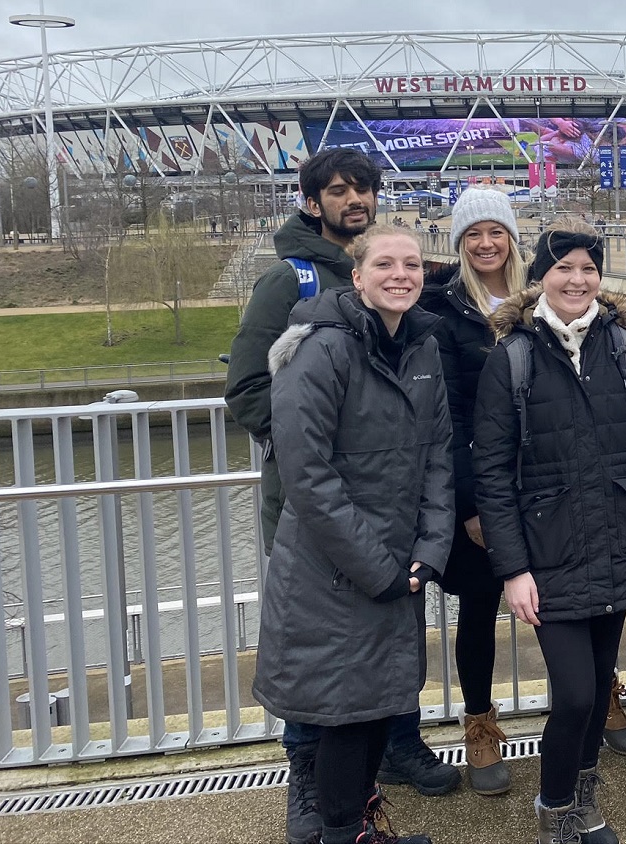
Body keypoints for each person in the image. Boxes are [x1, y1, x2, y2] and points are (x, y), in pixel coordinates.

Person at [224, 149, 459, 844]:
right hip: (333, 542)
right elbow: (262, 406)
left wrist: (429, 549)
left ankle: (353, 821)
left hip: (392, 546)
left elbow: (438, 456)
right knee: (330, 693)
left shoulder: (418, 345)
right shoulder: (304, 315)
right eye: (338, 189)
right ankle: (327, 816)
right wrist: (320, 453)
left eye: (412, 265)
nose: (400, 274)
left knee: (367, 694)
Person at [473, 218, 626, 844]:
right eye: (564, 267)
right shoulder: (511, 357)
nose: (577, 278)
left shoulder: (622, 349)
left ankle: (583, 800)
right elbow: (491, 473)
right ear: (540, 277)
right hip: (551, 552)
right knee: (575, 695)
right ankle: (553, 805)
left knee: (595, 687)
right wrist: (511, 568)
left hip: (617, 541)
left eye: (588, 268)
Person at [419, 188, 528, 796]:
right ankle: (481, 726)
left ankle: (599, 701)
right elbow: (448, 415)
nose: (487, 243)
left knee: (569, 598)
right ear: (459, 242)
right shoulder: (440, 307)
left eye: (497, 231)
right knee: (482, 608)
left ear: (512, 237)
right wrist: (470, 504)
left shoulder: (537, 298)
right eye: (474, 234)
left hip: (541, 482)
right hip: (482, 487)